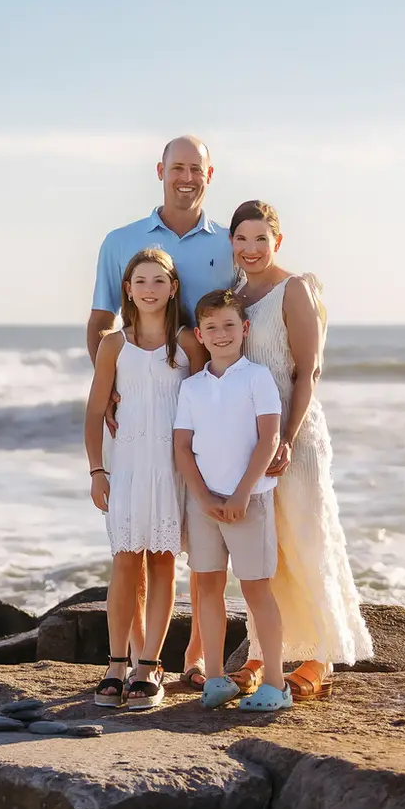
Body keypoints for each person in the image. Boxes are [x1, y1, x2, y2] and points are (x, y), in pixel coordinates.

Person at [87, 135, 233, 686]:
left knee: (185, 551)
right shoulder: (120, 241)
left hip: (184, 434)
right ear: (160, 171)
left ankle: (184, 661)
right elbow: (99, 323)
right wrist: (117, 388)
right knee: (132, 554)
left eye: (195, 168)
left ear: (209, 174)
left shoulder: (227, 244)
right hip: (134, 431)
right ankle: (125, 663)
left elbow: (231, 327)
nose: (186, 176)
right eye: (177, 167)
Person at [228, 198, 374, 698]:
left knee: (306, 535)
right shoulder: (232, 297)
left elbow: (308, 370)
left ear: (277, 242)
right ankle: (260, 654)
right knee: (260, 549)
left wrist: (286, 439)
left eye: (260, 240)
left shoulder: (294, 289)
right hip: (247, 440)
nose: (251, 249)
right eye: (241, 240)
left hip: (296, 437)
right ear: (231, 243)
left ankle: (320, 657)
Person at [84, 248, 206, 709]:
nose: (150, 289)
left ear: (172, 288)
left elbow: (204, 405)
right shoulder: (114, 344)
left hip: (172, 470)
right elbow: (96, 411)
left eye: (159, 280)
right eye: (141, 281)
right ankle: (116, 663)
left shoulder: (187, 344)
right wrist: (97, 470)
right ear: (128, 290)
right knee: (124, 563)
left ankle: (149, 666)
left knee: (162, 564)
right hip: (127, 467)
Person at [173, 288, 291, 712]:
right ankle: (218, 677)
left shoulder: (257, 378)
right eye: (211, 327)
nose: (220, 333)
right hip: (203, 504)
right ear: (199, 336)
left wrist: (242, 492)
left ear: (243, 330)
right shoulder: (192, 388)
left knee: (257, 590)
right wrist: (202, 497)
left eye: (228, 325)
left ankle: (276, 684)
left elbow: (269, 438)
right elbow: (183, 448)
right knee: (208, 586)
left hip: (250, 501)